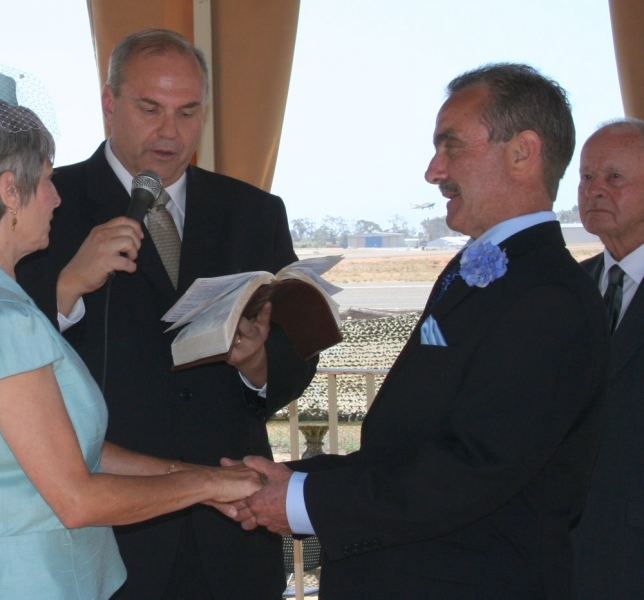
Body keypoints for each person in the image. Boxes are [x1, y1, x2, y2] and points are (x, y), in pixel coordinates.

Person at [226, 63, 610, 599]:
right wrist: (294, 480)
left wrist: (303, 502)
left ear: (523, 152)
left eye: (452, 146)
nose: (434, 171)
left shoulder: (548, 297)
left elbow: (473, 470)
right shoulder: (490, 273)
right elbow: (410, 445)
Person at [0, 72, 263, 600]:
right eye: (45, 180)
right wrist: (208, 484)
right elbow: (77, 499)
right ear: (9, 190)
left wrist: (192, 476)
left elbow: (73, 450)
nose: (55, 198)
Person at [15, 29, 317, 599]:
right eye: (150, 109)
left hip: (232, 529)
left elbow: (295, 355)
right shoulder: (47, 205)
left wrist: (256, 362)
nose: (170, 132)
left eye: (188, 112)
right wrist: (65, 290)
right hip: (107, 531)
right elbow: (7, 351)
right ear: (110, 104)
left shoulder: (253, 212)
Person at [573, 119, 644, 598]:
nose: (594, 190)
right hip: (563, 549)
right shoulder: (567, 288)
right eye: (586, 177)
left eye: (614, 177)